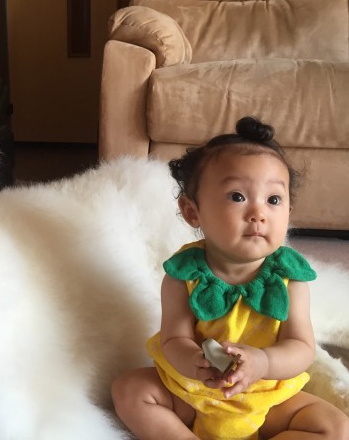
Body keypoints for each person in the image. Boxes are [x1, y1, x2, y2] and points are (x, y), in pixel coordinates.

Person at [111, 117, 349, 440]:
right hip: (194, 393)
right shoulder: (184, 276)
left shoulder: (289, 280)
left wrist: (263, 363)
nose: (258, 213)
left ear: (289, 211)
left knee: (337, 428)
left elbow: (302, 347)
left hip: (266, 399)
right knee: (128, 390)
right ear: (192, 211)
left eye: (273, 200)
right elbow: (173, 339)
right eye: (237, 197)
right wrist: (195, 362)